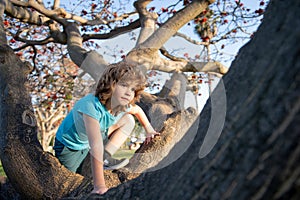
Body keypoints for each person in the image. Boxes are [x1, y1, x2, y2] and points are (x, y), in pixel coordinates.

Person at [53, 62, 159, 195]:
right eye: (124, 85)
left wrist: (149, 129)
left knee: (128, 120)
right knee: (69, 184)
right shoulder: (90, 106)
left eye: (132, 89)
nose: (128, 92)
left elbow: (137, 110)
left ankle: (106, 158)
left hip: (94, 136)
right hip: (70, 146)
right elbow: (95, 145)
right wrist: (99, 186)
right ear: (111, 85)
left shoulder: (122, 105)